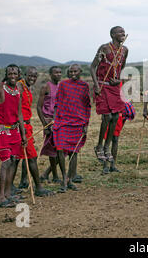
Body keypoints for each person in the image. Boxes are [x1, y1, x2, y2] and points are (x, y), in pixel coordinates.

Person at [0, 64, 27, 207]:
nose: (12, 76)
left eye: (15, 73)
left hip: (15, 130)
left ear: (18, 75)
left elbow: (20, 113)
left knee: (13, 161)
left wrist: (23, 134)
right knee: (5, 163)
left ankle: (9, 194)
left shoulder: (18, 89)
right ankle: (0, 197)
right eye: (10, 73)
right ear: (6, 74)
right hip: (1, 130)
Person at [90, 26, 129, 166]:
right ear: (112, 34)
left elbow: (121, 68)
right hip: (102, 85)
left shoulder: (125, 50)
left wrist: (119, 80)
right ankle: (99, 145)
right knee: (106, 116)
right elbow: (92, 67)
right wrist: (96, 85)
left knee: (116, 116)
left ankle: (107, 146)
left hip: (114, 87)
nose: (123, 34)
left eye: (124, 32)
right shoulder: (104, 48)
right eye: (120, 32)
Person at [14, 67, 53, 197]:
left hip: (26, 126)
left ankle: (18, 183)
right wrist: (22, 129)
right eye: (30, 75)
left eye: (35, 76)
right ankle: (38, 188)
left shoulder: (26, 87)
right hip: (21, 127)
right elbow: (16, 110)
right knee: (31, 156)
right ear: (24, 75)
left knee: (19, 157)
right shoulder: (19, 87)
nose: (32, 78)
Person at [53, 64, 91, 192]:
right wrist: (54, 120)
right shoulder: (63, 85)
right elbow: (57, 103)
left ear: (80, 72)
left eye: (75, 71)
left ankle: (69, 179)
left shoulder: (84, 86)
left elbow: (87, 106)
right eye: (71, 71)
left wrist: (86, 124)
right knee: (59, 149)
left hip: (78, 123)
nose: (73, 73)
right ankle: (64, 177)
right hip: (63, 121)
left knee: (74, 152)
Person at [37, 66, 62, 183]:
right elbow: (38, 107)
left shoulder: (61, 86)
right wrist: (44, 125)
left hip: (60, 121)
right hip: (48, 121)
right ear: (50, 74)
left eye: (60, 72)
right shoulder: (46, 87)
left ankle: (46, 173)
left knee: (63, 150)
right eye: (55, 73)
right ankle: (55, 176)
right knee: (52, 151)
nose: (58, 74)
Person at [102, 100, 135, 174]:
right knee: (108, 138)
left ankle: (112, 165)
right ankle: (105, 166)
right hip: (109, 110)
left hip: (120, 110)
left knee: (115, 138)